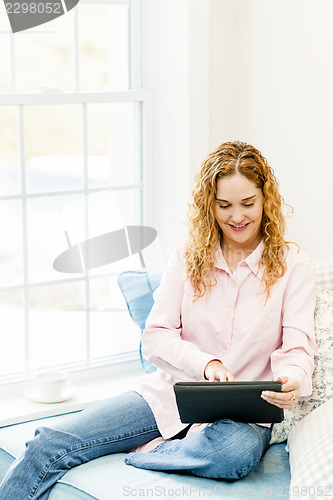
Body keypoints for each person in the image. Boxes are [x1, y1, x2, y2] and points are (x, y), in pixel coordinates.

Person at [0, 141, 316, 499]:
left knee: (231, 455)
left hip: (245, 414)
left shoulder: (294, 265)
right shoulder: (187, 257)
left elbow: (298, 346)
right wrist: (206, 363)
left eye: (248, 203)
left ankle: (148, 452)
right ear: (208, 204)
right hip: (171, 395)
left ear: (265, 200)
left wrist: (293, 379)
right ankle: (168, 440)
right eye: (224, 205)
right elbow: (156, 337)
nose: (237, 217)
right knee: (48, 443)